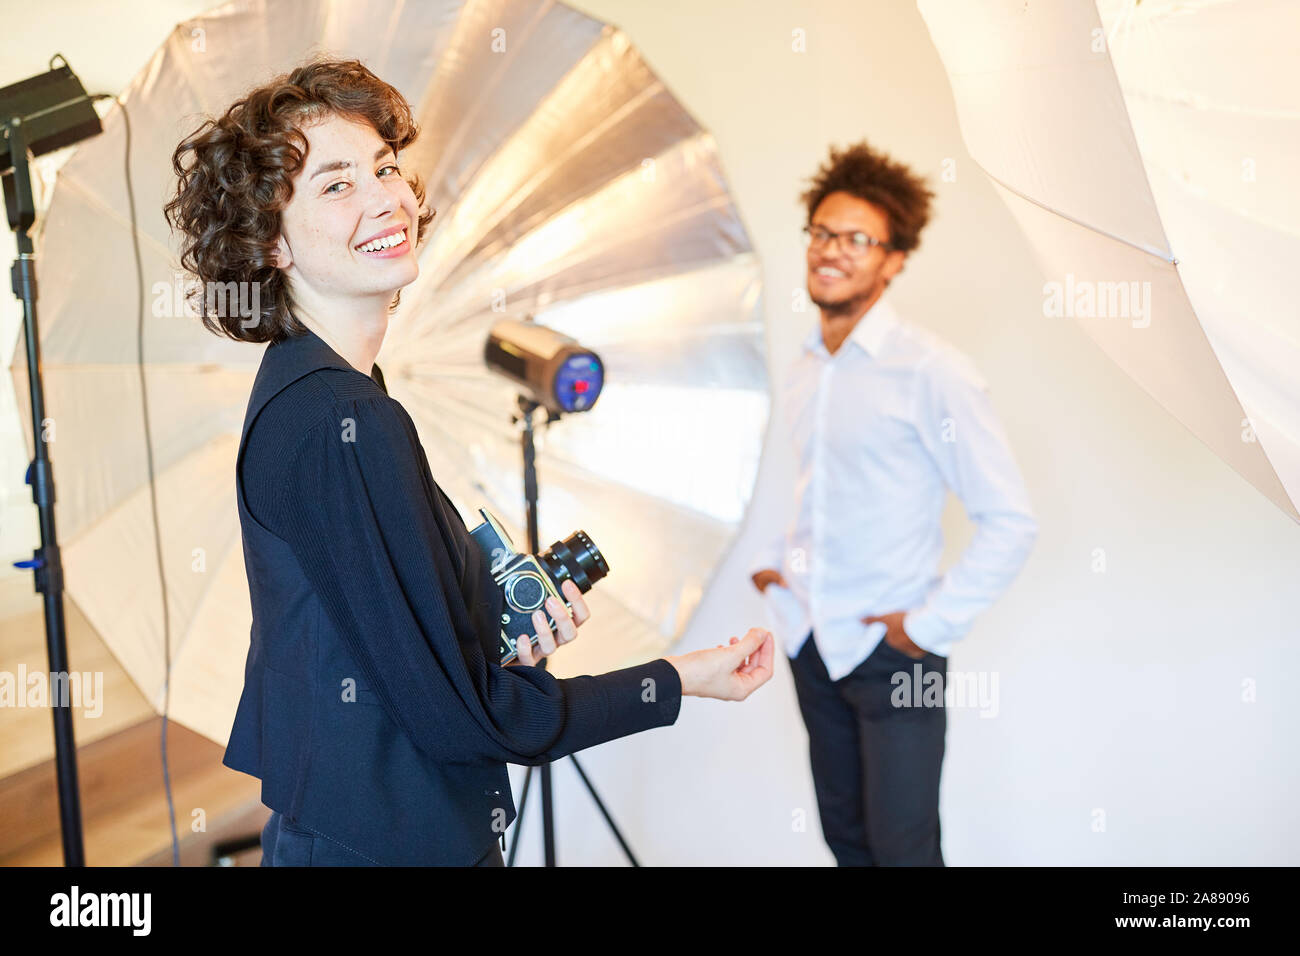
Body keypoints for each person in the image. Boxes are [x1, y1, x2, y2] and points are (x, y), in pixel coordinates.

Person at [165, 56, 774, 867]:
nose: (388, 197)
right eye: (337, 185)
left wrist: (486, 629)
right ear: (271, 244)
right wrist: (680, 676)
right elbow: (471, 721)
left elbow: (376, 646)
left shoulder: (307, 390)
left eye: (386, 167)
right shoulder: (342, 420)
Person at [750, 142, 1037, 866]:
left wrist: (930, 626)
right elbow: (818, 489)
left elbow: (1010, 521)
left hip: (895, 655)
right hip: (814, 642)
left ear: (894, 259)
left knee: (905, 851)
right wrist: (776, 570)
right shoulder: (804, 369)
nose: (829, 251)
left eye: (856, 239)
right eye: (820, 232)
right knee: (846, 844)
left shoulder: (932, 372)